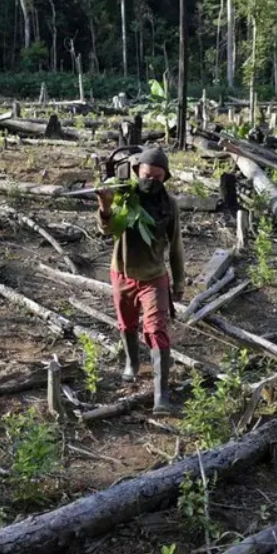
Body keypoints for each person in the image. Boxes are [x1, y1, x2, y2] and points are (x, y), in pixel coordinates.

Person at [96, 147, 185, 415]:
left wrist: (179, 283)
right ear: (137, 172)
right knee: (127, 323)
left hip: (154, 276)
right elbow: (106, 230)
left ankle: (161, 396)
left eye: (158, 178)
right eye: (147, 176)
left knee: (156, 330)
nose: (151, 182)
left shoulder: (169, 205)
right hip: (122, 272)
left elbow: (176, 245)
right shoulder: (124, 196)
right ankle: (132, 364)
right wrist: (105, 205)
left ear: (165, 178)